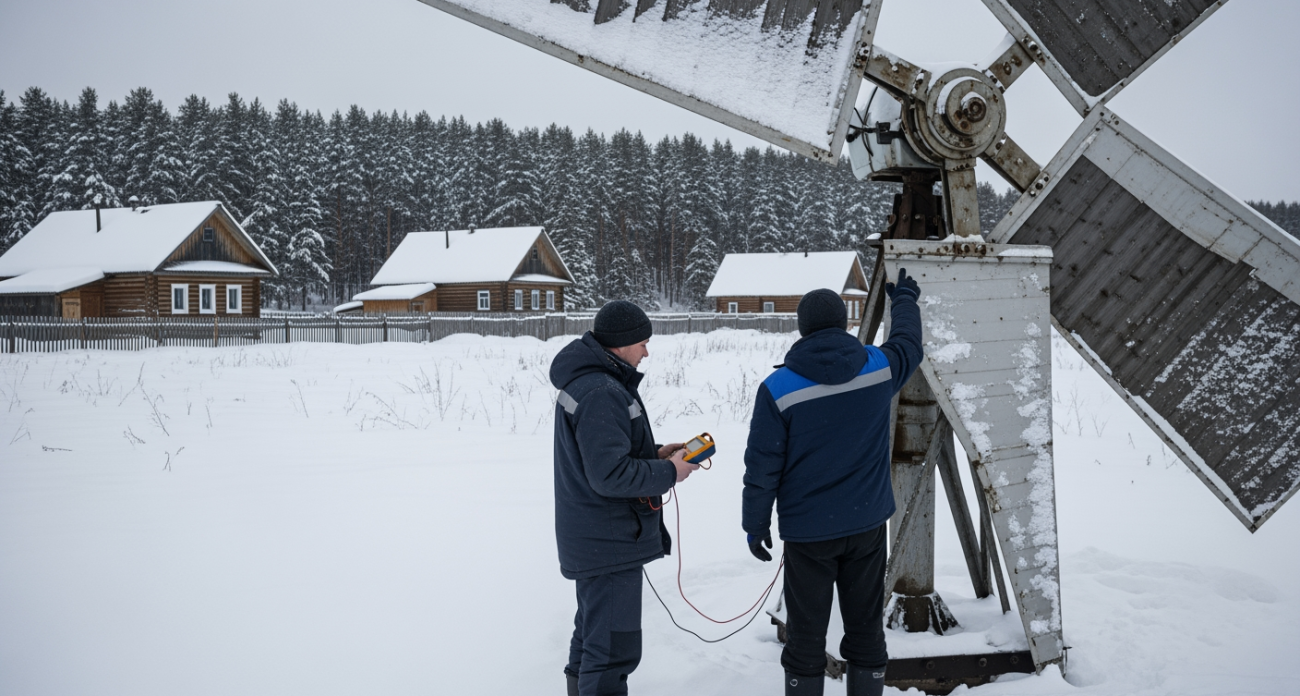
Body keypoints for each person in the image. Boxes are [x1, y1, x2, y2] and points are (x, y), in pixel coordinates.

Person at [742, 272, 924, 696]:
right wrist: (906, 301)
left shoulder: (778, 389)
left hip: (809, 534)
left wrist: (755, 525)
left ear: (802, 328)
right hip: (866, 525)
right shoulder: (878, 369)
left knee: (806, 634)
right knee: (865, 627)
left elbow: (761, 468)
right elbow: (909, 345)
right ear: (844, 323)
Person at [549, 300, 700, 696]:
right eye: (643, 343)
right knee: (613, 651)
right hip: (609, 543)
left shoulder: (594, 381)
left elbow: (604, 460)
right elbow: (610, 475)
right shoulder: (601, 390)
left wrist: (657, 455)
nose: (646, 352)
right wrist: (670, 472)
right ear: (620, 344)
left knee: (591, 640)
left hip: (597, 539)